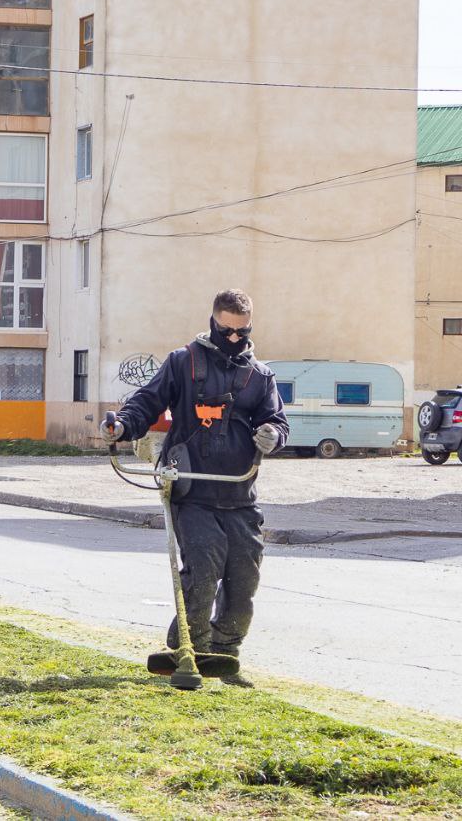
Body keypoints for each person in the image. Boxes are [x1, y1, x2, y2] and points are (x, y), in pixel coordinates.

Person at [101, 289, 289, 686]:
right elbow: (146, 403)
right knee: (204, 568)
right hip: (193, 491)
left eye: (242, 332)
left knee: (244, 577)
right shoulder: (183, 363)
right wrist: (121, 426)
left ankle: (225, 656)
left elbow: (277, 420)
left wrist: (273, 434)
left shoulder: (260, 375)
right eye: (226, 331)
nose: (234, 339)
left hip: (239, 493)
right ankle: (187, 650)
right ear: (213, 323)